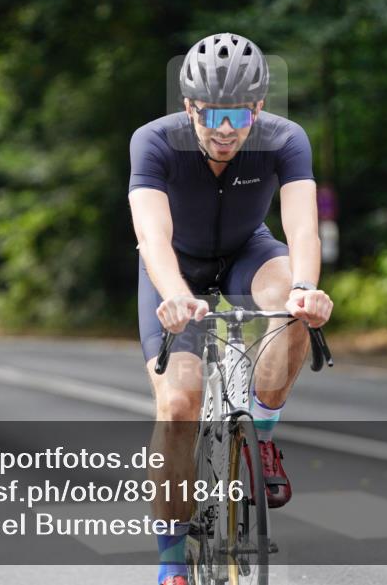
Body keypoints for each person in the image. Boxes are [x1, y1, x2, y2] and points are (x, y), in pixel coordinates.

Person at [128, 33, 334, 585]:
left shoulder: (285, 139)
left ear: (258, 108)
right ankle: (171, 564)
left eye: (239, 114)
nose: (226, 128)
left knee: (291, 301)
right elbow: (152, 236)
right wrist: (173, 294)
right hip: (177, 267)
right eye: (213, 113)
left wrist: (307, 288)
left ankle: (261, 438)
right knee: (179, 407)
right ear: (190, 106)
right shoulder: (154, 142)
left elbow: (302, 226)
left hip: (249, 251)